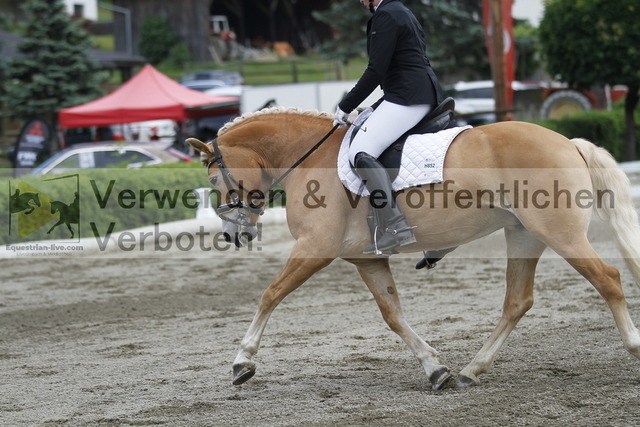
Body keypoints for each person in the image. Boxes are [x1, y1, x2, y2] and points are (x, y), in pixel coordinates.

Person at [333, 0, 444, 254]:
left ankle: (396, 226)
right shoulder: (401, 11)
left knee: (359, 152)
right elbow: (401, 66)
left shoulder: (386, 15)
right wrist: (374, 107)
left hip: (409, 96)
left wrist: (345, 105)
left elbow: (376, 70)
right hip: (414, 92)